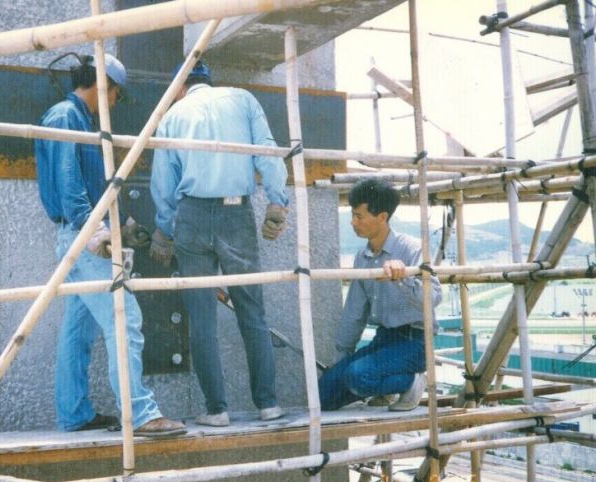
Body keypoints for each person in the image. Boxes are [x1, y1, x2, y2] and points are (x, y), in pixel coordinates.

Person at [35, 52, 186, 437]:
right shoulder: (66, 118)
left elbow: (86, 188)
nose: (116, 103)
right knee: (126, 319)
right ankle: (140, 413)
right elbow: (71, 188)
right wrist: (98, 233)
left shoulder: (75, 118)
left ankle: (74, 414)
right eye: (117, 94)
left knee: (78, 330)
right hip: (82, 237)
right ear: (106, 86)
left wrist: (123, 226)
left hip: (76, 236)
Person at [149, 60, 289, 427]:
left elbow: (164, 184)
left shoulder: (172, 115)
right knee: (252, 312)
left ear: (181, 86)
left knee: (202, 319)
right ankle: (268, 405)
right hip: (236, 213)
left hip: (192, 215)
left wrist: (164, 231)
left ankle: (217, 410)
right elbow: (267, 149)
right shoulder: (242, 100)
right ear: (211, 80)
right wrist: (277, 201)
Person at [318, 179, 442, 412]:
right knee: (324, 394)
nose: (354, 223)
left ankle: (412, 382)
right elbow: (355, 310)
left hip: (415, 342)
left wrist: (404, 277)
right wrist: (344, 354)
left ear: (382, 217)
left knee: (357, 376)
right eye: (352, 216)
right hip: (384, 340)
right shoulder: (362, 256)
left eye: (359, 216)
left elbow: (433, 297)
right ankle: (384, 389)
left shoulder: (412, 249)